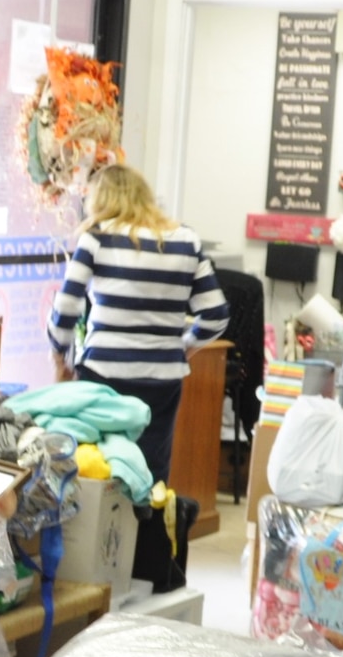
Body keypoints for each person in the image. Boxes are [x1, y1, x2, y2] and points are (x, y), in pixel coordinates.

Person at [46, 163, 230, 485]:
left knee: (99, 470)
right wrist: (183, 345)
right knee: (151, 472)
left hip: (104, 375)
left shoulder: (98, 237)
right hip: (163, 378)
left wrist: (60, 354)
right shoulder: (185, 239)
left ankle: (104, 535)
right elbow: (216, 314)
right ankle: (149, 533)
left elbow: (67, 306)